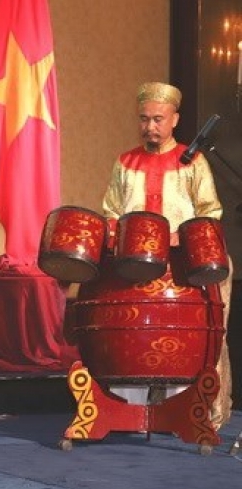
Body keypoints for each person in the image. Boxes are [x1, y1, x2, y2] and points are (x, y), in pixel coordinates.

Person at [102, 82, 232, 429]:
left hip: (186, 262)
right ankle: (139, 411)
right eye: (144, 119)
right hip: (138, 264)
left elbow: (211, 211)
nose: (150, 127)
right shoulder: (125, 162)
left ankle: (207, 413)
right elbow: (111, 211)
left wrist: (180, 235)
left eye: (158, 119)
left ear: (174, 119)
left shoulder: (195, 161)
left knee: (205, 335)